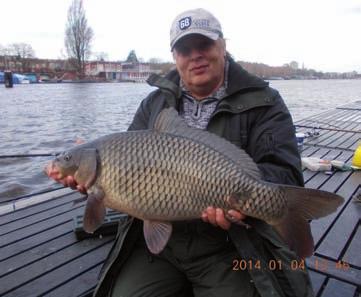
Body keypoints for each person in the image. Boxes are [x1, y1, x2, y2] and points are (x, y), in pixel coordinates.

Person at [59, 8, 314, 297]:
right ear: (174, 56)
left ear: (223, 45)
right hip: (158, 247)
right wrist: (87, 187)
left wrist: (240, 203)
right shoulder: (153, 104)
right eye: (184, 49)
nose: (195, 55)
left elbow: (286, 173)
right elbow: (120, 178)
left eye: (203, 45)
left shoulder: (265, 102)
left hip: (231, 242)